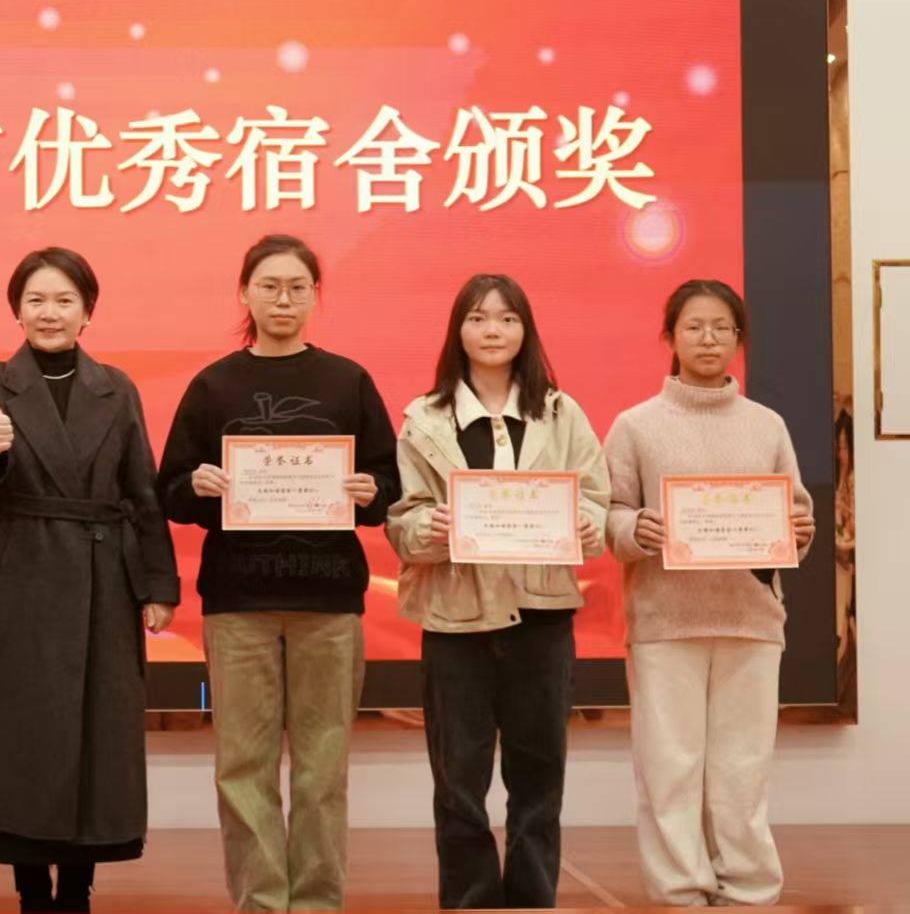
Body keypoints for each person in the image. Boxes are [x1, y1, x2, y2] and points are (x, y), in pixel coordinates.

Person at [157, 233, 399, 913]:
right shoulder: (213, 385)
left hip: (329, 600)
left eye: (297, 287)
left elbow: (390, 484)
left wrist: (368, 492)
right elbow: (168, 490)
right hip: (238, 601)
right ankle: (260, 901)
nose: (283, 299)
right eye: (269, 286)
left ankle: (317, 901)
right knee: (243, 766)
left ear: (315, 296)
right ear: (245, 293)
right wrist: (197, 485)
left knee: (324, 767)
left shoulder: (348, 381)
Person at [0, 248, 180, 914]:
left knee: (97, 731)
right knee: (23, 729)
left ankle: (77, 889)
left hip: (102, 574)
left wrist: (157, 585)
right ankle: (30, 889)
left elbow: (141, 488)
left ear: (87, 312)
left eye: (64, 300)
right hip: (18, 573)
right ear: (17, 310)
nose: (49, 313)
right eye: (35, 300)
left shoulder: (117, 388)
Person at [386, 274, 611, 909]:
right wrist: (424, 529)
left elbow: (595, 500)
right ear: (458, 330)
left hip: (541, 615)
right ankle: (470, 899)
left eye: (508, 319)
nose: (493, 330)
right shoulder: (423, 419)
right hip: (455, 618)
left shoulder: (562, 413)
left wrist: (587, 524)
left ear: (525, 331)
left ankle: (534, 897)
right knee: (458, 779)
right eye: (479, 318)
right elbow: (401, 519)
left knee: (539, 774)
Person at [605, 280, 817, 907]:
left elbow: (796, 513)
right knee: (669, 766)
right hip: (664, 619)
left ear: (738, 338)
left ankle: (750, 886)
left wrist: (798, 529)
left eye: (722, 328)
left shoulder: (767, 425)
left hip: (751, 618)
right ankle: (679, 889)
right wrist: (633, 528)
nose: (709, 339)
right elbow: (608, 513)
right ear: (670, 337)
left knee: (743, 766)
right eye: (694, 327)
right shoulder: (635, 426)